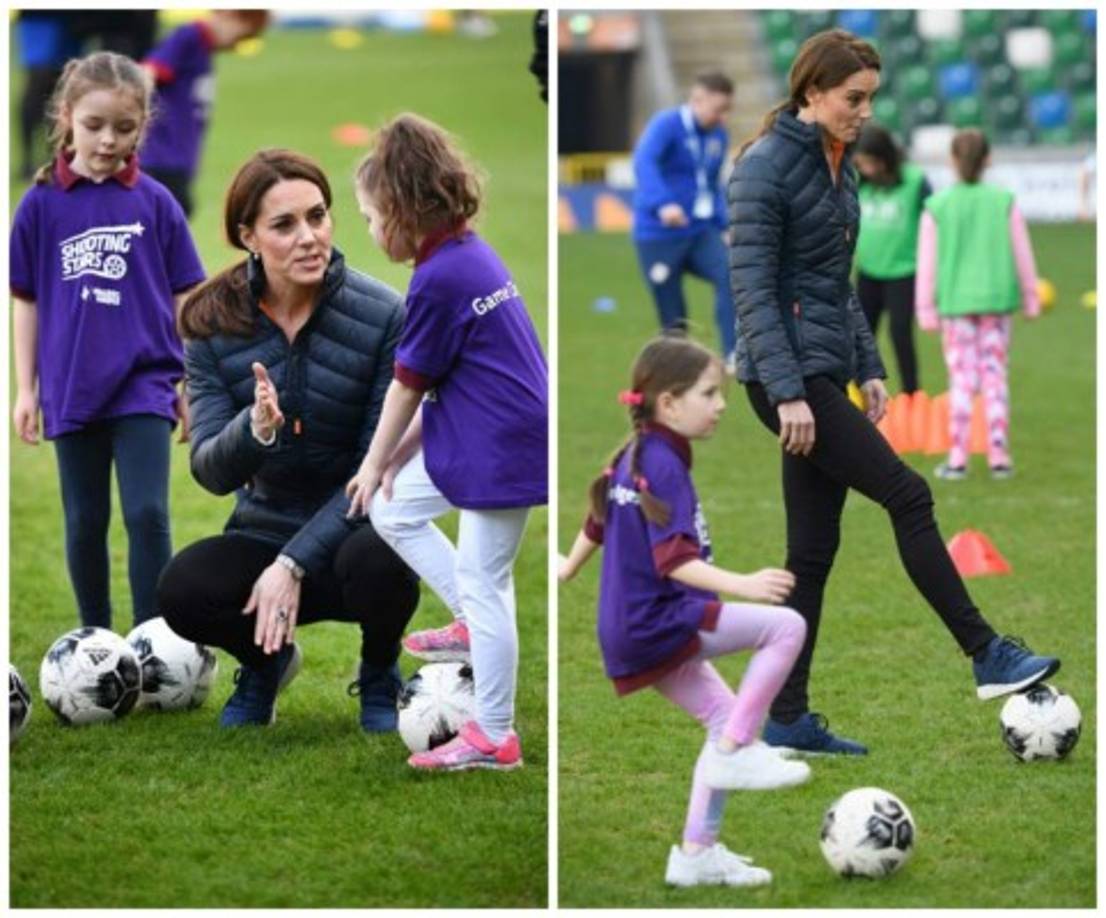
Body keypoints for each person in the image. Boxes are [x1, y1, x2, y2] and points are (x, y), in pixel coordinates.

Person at [727, 29, 1059, 756]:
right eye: (854, 98)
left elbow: (835, 284)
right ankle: (986, 652)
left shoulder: (839, 164)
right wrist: (787, 392)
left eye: (871, 98)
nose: (865, 112)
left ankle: (786, 717)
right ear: (812, 91)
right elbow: (750, 290)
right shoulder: (764, 168)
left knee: (811, 553)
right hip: (786, 380)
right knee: (909, 495)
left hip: (820, 371)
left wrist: (869, 365)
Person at [155, 149, 420, 730]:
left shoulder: (384, 315)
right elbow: (209, 470)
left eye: (317, 216)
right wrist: (253, 430)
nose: (309, 237)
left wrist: (294, 562)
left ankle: (380, 670)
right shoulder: (208, 321)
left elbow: (374, 468)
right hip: (263, 528)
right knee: (182, 590)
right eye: (284, 224)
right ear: (248, 236)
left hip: (353, 530)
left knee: (386, 558)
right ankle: (266, 664)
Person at [559, 336, 809, 888]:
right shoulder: (662, 462)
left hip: (632, 626)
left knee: (724, 719)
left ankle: (696, 854)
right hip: (660, 622)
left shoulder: (636, 453)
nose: (720, 405)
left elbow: (599, 517)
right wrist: (743, 584)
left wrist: (567, 569)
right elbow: (673, 561)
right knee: (786, 627)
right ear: (669, 404)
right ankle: (736, 751)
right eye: (709, 394)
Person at [346, 114, 548, 771]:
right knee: (393, 507)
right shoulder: (464, 253)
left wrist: (373, 460)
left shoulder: (440, 277)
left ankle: (495, 735)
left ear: (403, 210)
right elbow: (440, 380)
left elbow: (407, 386)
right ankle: (468, 622)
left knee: (485, 581)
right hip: (481, 432)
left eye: (372, 217)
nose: (370, 230)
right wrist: (392, 464)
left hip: (502, 444)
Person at [10, 52, 204, 631]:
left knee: (147, 513)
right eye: (94, 125)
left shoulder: (156, 202)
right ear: (66, 117)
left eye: (124, 128)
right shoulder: (39, 205)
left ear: (142, 127)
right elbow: (26, 300)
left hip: (145, 383)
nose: (107, 140)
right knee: (84, 521)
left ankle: (153, 637)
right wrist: (27, 389)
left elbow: (186, 296)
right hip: (70, 386)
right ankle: (94, 636)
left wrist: (190, 380)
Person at [915, 129, 1041, 480]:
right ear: (988, 159)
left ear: (952, 161)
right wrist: (1030, 296)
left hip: (956, 304)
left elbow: (927, 264)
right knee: (995, 378)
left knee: (961, 380)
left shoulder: (937, 206)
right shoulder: (1003, 201)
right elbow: (1023, 253)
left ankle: (958, 457)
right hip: (996, 302)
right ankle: (999, 455)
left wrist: (925, 308)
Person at [632, 72, 737, 371]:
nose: (723, 117)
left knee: (731, 274)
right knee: (673, 313)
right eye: (718, 109)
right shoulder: (666, 125)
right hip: (657, 234)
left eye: (727, 109)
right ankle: (679, 369)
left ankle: (733, 353)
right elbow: (644, 162)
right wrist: (663, 203)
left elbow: (712, 184)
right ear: (697, 100)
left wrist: (724, 225)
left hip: (699, 231)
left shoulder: (718, 135)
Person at [141, 10, 271, 216]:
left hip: (177, 160)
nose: (235, 45)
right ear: (229, 15)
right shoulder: (189, 37)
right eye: (241, 36)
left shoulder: (203, 49)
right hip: (161, 158)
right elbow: (147, 73)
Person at [853, 122, 931, 394]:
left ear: (884, 158)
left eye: (869, 163)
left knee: (900, 335)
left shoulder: (915, 180)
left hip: (904, 272)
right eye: (860, 163)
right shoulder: (858, 181)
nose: (864, 169)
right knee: (860, 339)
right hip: (868, 271)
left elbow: (934, 224)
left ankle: (911, 396)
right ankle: (856, 396)